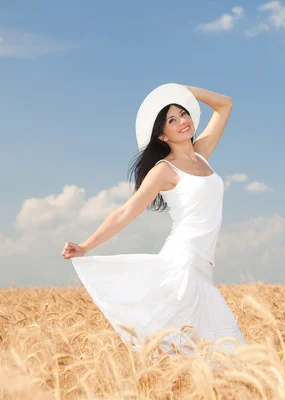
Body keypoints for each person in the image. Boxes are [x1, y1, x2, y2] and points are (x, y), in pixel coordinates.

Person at [61, 83, 247, 359]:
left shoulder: (201, 155)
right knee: (213, 349)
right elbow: (126, 211)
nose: (183, 121)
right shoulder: (164, 170)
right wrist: (86, 246)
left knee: (201, 352)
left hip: (202, 268)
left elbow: (225, 105)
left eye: (184, 114)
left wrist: (184, 90)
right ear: (162, 134)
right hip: (183, 263)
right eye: (172, 120)